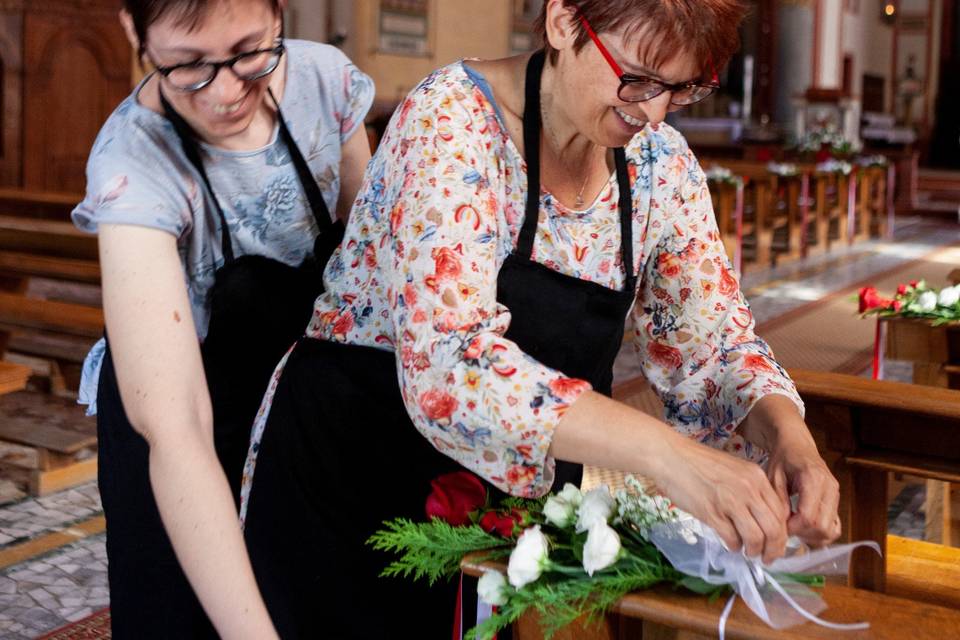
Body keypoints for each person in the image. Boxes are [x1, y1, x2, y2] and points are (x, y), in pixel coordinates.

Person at [240, 0, 841, 636]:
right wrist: (668, 458)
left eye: (680, 88)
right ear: (562, 22)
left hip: (511, 512)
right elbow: (452, 366)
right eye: (636, 78)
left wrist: (789, 438)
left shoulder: (659, 165)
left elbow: (713, 347)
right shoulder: (454, 122)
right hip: (353, 476)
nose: (654, 111)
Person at [70, 0, 374, 636]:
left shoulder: (326, 83)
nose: (228, 91)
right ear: (136, 33)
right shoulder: (133, 165)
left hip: (299, 406)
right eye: (188, 66)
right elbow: (177, 427)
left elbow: (368, 277)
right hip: (182, 414)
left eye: (249, 51)